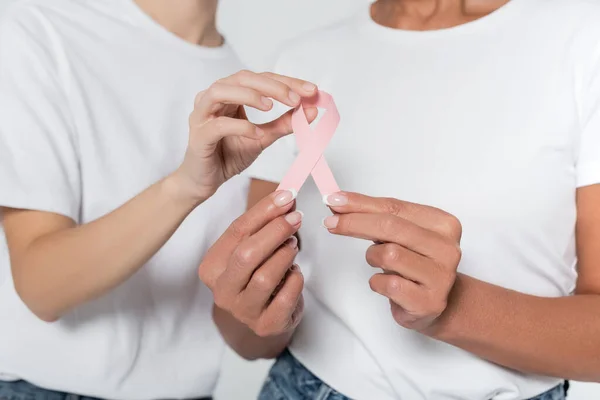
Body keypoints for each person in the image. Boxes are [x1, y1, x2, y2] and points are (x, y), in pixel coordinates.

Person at [198, 0, 600, 399]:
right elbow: (249, 339)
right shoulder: (302, 65)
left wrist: (454, 308)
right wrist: (248, 310)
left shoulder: (581, 39)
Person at [0, 0, 318, 399]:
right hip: (38, 389)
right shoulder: (39, 30)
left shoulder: (257, 98)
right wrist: (186, 186)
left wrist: (274, 312)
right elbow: (41, 288)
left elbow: (247, 338)